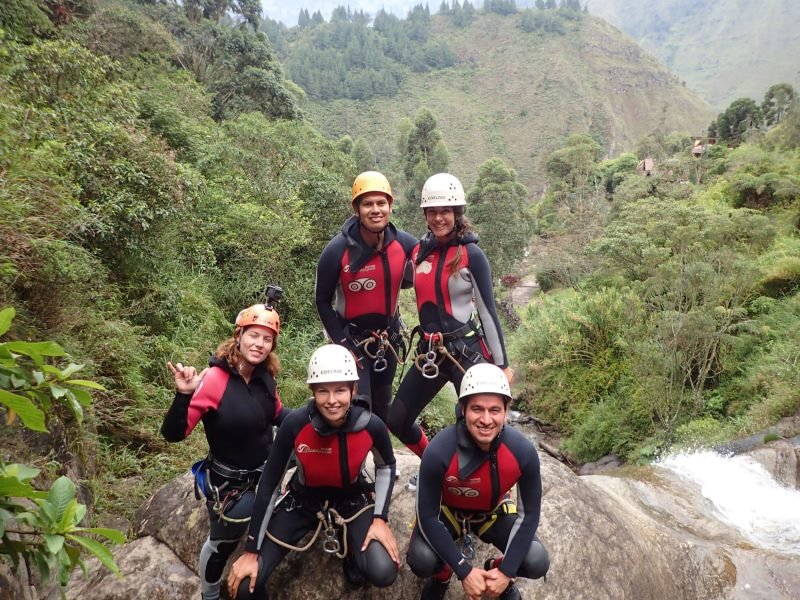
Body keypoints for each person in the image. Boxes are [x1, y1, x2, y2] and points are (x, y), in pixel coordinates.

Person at [227, 344, 400, 600]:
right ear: (313, 392)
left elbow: (386, 466)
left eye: (340, 390)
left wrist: (379, 519)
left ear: (353, 390)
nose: (332, 401)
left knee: (383, 571)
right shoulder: (295, 425)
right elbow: (270, 484)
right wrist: (251, 550)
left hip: (352, 499)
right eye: (323, 391)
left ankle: (353, 550)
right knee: (245, 586)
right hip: (302, 501)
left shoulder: (370, 425)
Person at [161, 303, 286, 600]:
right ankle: (210, 594)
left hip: (263, 475)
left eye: (267, 339)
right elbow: (174, 433)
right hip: (230, 485)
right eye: (253, 335)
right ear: (238, 336)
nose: (259, 344)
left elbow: (278, 415)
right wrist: (184, 394)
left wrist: (317, 414)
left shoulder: (265, 378)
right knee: (222, 544)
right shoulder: (214, 380)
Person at [387, 172, 512, 460]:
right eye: (432, 211)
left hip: (466, 351)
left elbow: (487, 312)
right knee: (397, 420)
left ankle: (488, 476)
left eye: (445, 211)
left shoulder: (471, 254)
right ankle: (435, 467)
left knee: (477, 423)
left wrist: (502, 365)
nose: (438, 217)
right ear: (425, 214)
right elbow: (396, 270)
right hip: (431, 352)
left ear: (457, 212)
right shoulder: (418, 252)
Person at [407, 363, 549, 600]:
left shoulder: (522, 452)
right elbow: (428, 517)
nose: (486, 419)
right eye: (477, 409)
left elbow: (530, 515)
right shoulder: (439, 451)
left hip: (493, 514)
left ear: (506, 411)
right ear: (463, 409)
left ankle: (494, 570)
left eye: (495, 410)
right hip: (449, 513)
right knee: (421, 560)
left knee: (536, 561)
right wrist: (463, 570)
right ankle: (442, 574)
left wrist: (506, 572)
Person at [315, 171, 417, 422]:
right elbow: (322, 301)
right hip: (352, 341)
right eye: (367, 204)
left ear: (390, 206)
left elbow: (434, 261)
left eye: (381, 203)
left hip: (388, 340)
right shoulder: (337, 250)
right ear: (356, 209)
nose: (375, 210)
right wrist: (343, 344)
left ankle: (383, 451)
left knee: (382, 409)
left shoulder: (405, 244)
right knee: (359, 410)